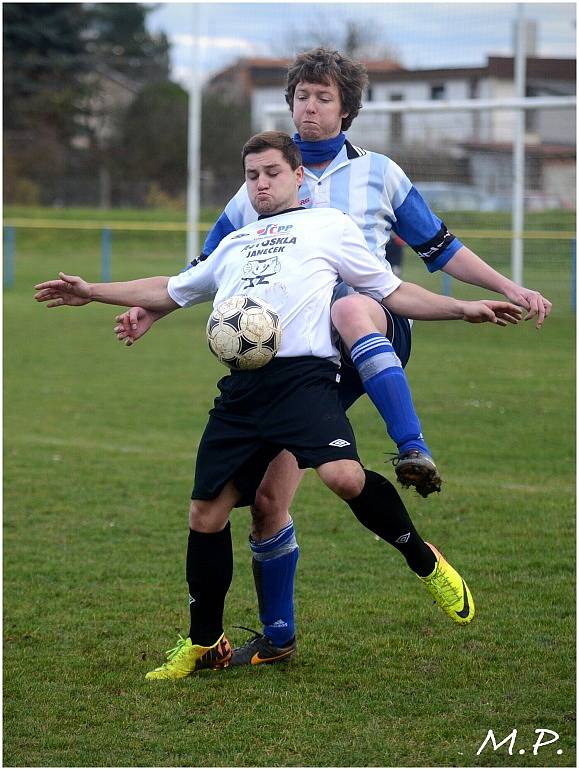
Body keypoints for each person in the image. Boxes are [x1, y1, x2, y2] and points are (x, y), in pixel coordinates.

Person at [114, 50, 552, 668]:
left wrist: (503, 288)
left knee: (348, 307)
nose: (310, 108)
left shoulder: (380, 174)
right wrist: (152, 310)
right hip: (295, 358)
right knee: (269, 499)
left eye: (323, 98)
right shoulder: (262, 183)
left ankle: (411, 446)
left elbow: (439, 248)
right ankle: (278, 636)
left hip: (372, 330)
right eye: (301, 97)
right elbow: (206, 272)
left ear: (346, 108)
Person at [35, 132, 523, 679]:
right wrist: (93, 291)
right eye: (252, 176)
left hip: (304, 381)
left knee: (342, 477)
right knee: (206, 514)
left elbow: (389, 291)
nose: (262, 184)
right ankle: (205, 643)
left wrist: (463, 310)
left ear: (298, 179)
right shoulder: (234, 243)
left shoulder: (327, 227)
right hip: (242, 394)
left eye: (271, 173)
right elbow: (170, 287)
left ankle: (422, 558)